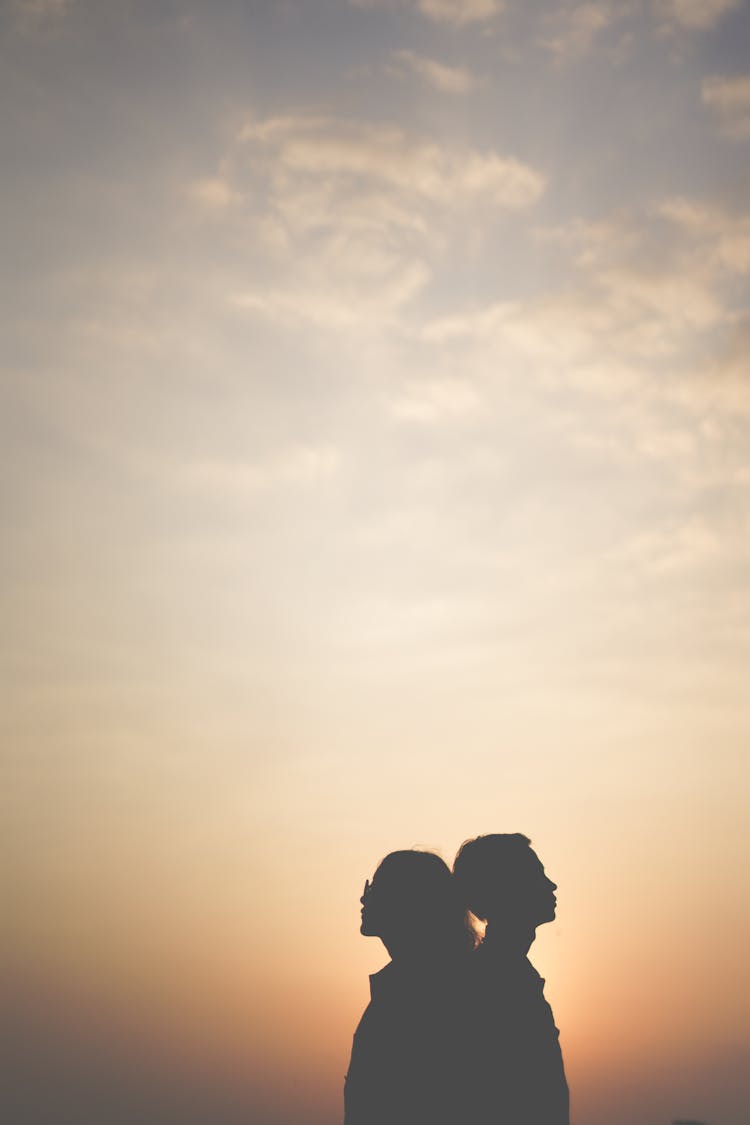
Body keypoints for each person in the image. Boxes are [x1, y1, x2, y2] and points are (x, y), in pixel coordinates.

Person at [343, 849, 472, 1125]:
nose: (364, 898)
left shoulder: (426, 992)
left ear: (409, 901)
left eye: (376, 888)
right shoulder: (403, 985)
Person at [453, 833, 570, 1125]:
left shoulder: (509, 973)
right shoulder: (494, 981)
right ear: (507, 890)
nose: (551, 885)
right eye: (537, 877)